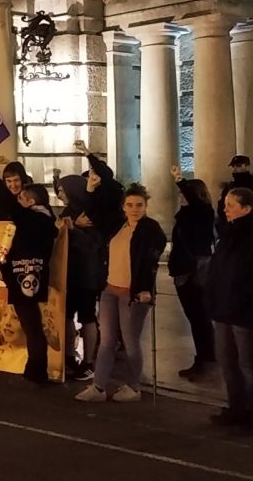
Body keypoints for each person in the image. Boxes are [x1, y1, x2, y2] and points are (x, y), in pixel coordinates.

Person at [75, 143, 166, 403]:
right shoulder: (117, 225)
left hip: (133, 293)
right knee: (106, 341)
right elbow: (93, 213)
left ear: (145, 206)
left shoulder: (151, 230)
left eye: (139, 205)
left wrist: (146, 289)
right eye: (130, 205)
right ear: (123, 206)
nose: (134, 209)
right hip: (110, 289)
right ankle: (99, 387)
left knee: (131, 341)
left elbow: (150, 261)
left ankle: (134, 387)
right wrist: (90, 188)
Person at [207, 187, 253, 435]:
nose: (225, 208)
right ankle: (236, 407)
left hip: (247, 310)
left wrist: (240, 296)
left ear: (246, 208)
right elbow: (217, 270)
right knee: (227, 361)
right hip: (224, 309)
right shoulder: (228, 235)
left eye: (231, 204)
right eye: (225, 204)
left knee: (249, 362)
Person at [0, 183, 58, 385]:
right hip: (35, 273)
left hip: (23, 274)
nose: (18, 201)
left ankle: (37, 370)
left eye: (21, 197)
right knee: (31, 323)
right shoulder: (46, 220)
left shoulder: (31, 219)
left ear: (31, 202)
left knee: (31, 325)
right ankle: (34, 368)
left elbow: (10, 206)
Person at [170, 166, 217, 381]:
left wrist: (181, 180)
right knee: (196, 318)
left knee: (200, 318)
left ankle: (207, 360)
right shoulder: (185, 215)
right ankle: (203, 358)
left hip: (193, 271)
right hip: (183, 270)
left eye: (184, 194)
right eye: (180, 194)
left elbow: (195, 202)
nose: (181, 197)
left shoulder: (202, 211)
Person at [55, 172, 101, 382]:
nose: (60, 194)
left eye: (63, 190)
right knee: (66, 315)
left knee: (87, 316)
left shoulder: (89, 213)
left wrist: (74, 229)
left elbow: (91, 245)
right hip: (68, 272)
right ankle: (69, 355)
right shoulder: (69, 212)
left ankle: (89, 361)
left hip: (86, 273)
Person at [217, 155, 253, 227]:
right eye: (233, 166)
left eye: (239, 165)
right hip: (233, 225)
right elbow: (221, 208)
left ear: (247, 166)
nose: (235, 168)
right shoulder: (229, 187)